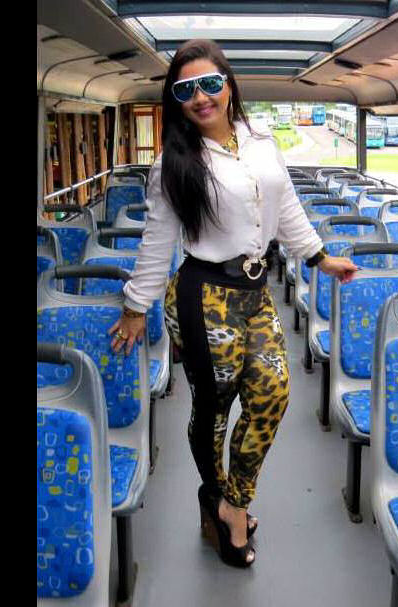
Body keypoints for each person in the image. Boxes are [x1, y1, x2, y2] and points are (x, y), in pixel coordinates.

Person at [108, 39, 358, 568]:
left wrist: (319, 257)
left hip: (254, 292)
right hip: (202, 297)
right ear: (175, 100)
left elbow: (286, 208)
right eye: (186, 89)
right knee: (215, 408)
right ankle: (222, 501)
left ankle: (230, 502)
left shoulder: (262, 141)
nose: (201, 97)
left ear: (229, 85)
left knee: (273, 395)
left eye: (210, 83)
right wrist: (135, 307)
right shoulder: (174, 163)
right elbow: (157, 241)